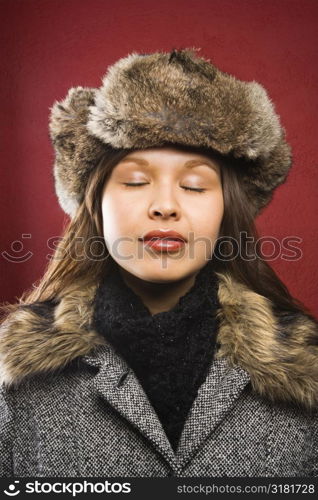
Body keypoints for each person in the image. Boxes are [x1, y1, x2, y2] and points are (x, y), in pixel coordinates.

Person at [0, 48, 317, 478]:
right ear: (94, 205)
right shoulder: (13, 382)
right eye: (135, 181)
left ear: (227, 212)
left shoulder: (304, 372)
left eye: (193, 185)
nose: (165, 206)